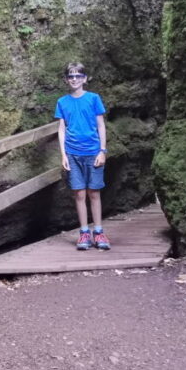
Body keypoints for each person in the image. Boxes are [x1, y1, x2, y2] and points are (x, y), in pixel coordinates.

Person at [54, 62, 110, 250]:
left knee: (94, 193)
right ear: (66, 80)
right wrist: (63, 155)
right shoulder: (62, 102)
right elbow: (61, 129)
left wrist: (102, 150)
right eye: (71, 76)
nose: (75, 79)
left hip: (93, 152)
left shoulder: (94, 98)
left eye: (79, 76)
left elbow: (101, 125)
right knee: (79, 193)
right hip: (72, 153)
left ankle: (99, 232)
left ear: (85, 79)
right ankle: (84, 232)